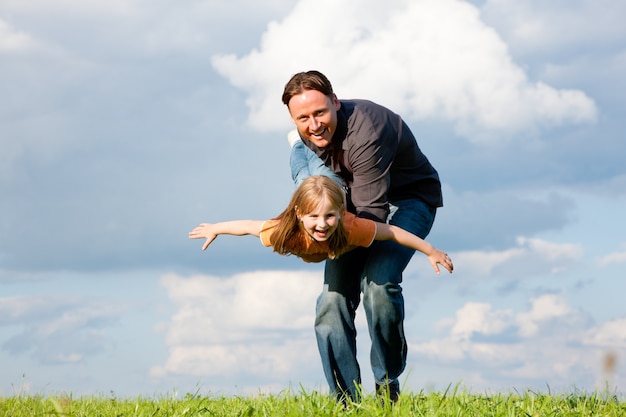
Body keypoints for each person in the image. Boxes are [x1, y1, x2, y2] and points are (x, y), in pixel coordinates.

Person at [281, 70, 445, 402]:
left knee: (378, 284)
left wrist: (322, 247)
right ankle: (346, 402)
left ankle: (387, 389)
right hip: (349, 206)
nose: (314, 125)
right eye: (303, 119)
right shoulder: (313, 138)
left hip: (405, 202)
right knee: (331, 302)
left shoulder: (368, 130)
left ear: (336, 103)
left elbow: (372, 217)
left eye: (320, 113)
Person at [189, 175, 453, 273]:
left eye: (329, 216)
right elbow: (248, 226)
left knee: (324, 180)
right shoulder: (283, 230)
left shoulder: (351, 227)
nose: (322, 225)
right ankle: (298, 144)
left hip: (332, 189)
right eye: (314, 217)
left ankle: (323, 177)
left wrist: (430, 250)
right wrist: (215, 228)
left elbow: (392, 232)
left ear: (340, 213)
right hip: (310, 190)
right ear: (299, 214)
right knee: (303, 173)